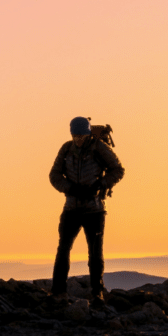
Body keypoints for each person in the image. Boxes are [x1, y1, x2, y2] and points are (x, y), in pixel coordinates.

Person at [48, 116, 125, 306]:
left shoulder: (99, 148)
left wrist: (100, 185)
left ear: (88, 134)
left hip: (94, 210)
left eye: (81, 136)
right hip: (72, 208)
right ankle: (58, 292)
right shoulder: (66, 149)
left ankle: (97, 293)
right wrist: (69, 188)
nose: (78, 139)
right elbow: (54, 175)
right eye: (75, 136)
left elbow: (118, 170)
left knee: (95, 252)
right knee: (63, 249)